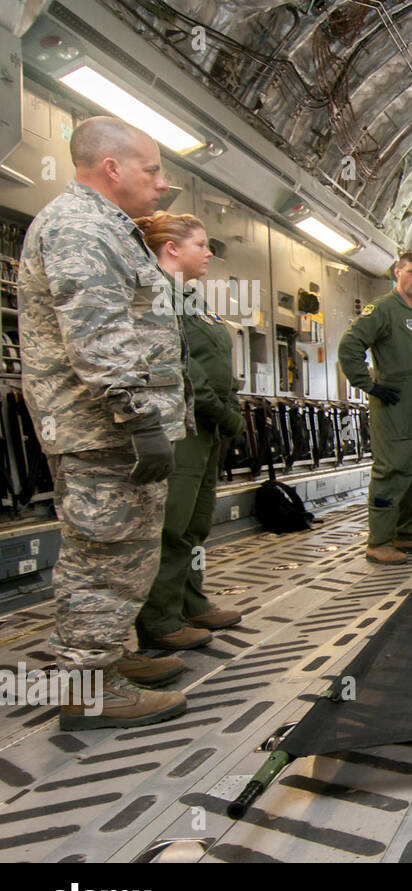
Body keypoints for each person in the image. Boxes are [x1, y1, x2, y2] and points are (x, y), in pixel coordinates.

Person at [19, 116, 189, 728]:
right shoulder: (80, 228)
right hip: (101, 430)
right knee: (102, 553)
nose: (161, 183)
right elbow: (96, 332)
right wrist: (138, 418)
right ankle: (89, 686)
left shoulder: (108, 228)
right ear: (111, 167)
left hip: (111, 427)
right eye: (151, 169)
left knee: (125, 551)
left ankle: (111, 654)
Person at [134, 212, 246, 653]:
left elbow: (216, 364)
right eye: (201, 245)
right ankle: (160, 620)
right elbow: (185, 368)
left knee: (195, 524)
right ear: (173, 248)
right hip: (183, 425)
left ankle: (190, 601)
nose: (209, 253)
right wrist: (222, 411)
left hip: (206, 428)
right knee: (172, 526)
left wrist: (230, 405)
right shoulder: (156, 297)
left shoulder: (192, 301)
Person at [339, 252, 412, 564]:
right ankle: (378, 541)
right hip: (394, 406)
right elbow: (349, 346)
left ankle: (406, 533)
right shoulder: (383, 309)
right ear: (398, 273)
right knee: (392, 470)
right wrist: (369, 385)